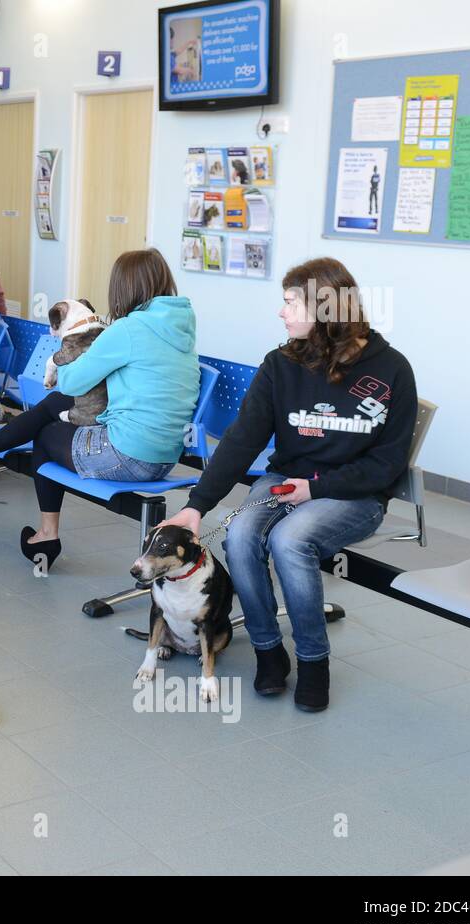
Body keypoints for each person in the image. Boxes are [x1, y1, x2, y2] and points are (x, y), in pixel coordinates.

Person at [158, 257, 417, 713]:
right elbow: (242, 439)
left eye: (290, 302)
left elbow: (388, 465)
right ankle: (267, 650)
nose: (282, 313)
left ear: (326, 311)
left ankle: (314, 662)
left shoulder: (392, 370)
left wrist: (314, 489)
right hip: (285, 481)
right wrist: (197, 506)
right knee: (238, 534)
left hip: (354, 494)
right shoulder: (281, 364)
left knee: (290, 539)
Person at [0, 248, 198, 566]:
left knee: (45, 434)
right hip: (167, 456)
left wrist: (69, 345)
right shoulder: (180, 329)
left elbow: (72, 381)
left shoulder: (128, 330)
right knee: (55, 404)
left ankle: (46, 532)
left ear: (123, 289)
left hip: (128, 455)